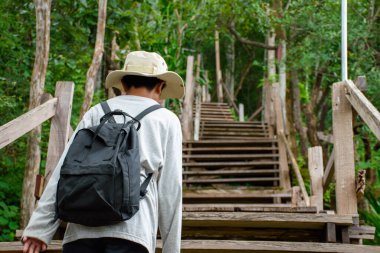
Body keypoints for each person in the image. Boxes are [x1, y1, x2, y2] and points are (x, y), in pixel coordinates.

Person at [22, 51, 184, 253]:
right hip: (133, 232)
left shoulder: (97, 111)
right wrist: (172, 249)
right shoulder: (167, 120)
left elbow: (64, 171)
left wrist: (40, 229)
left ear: (123, 84)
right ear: (160, 86)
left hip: (81, 231)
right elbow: (170, 190)